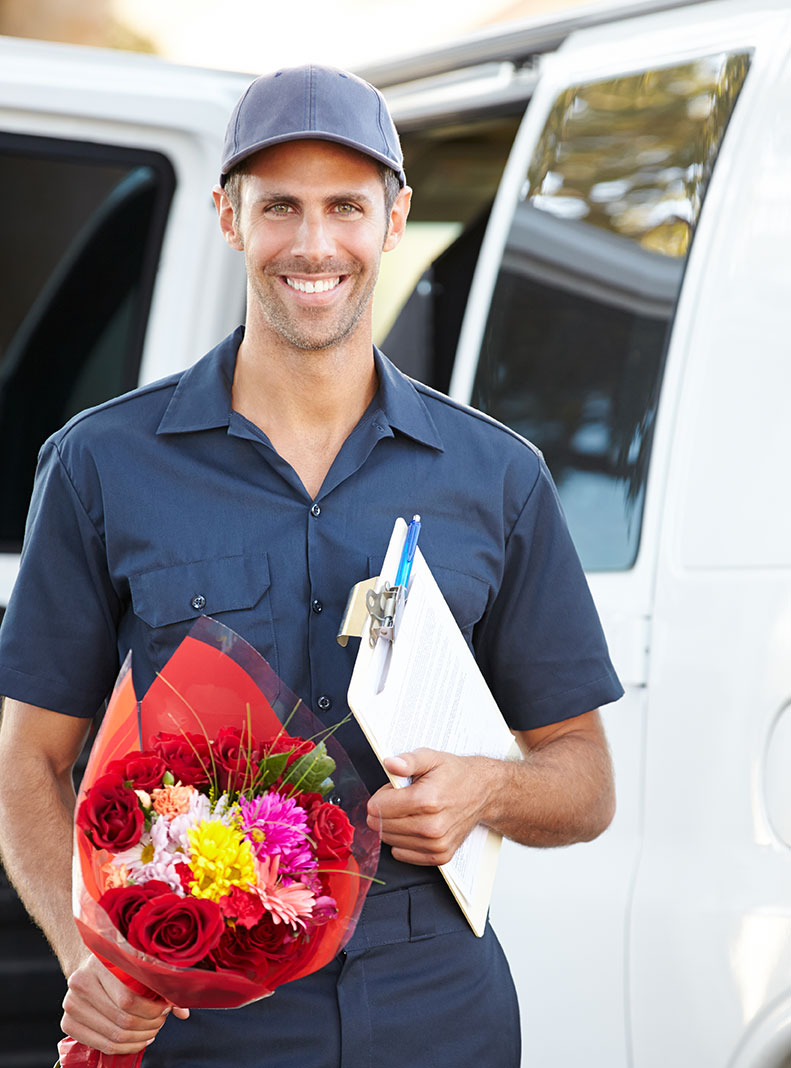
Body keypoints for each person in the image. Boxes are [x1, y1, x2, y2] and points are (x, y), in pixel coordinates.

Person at [0, 65, 623, 1066]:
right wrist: (97, 959)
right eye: (279, 205)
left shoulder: (495, 477)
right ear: (228, 216)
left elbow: (582, 781)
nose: (314, 242)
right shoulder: (100, 466)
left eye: (345, 205)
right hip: (200, 1018)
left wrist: (485, 792)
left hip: (439, 1011)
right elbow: (28, 765)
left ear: (393, 217)